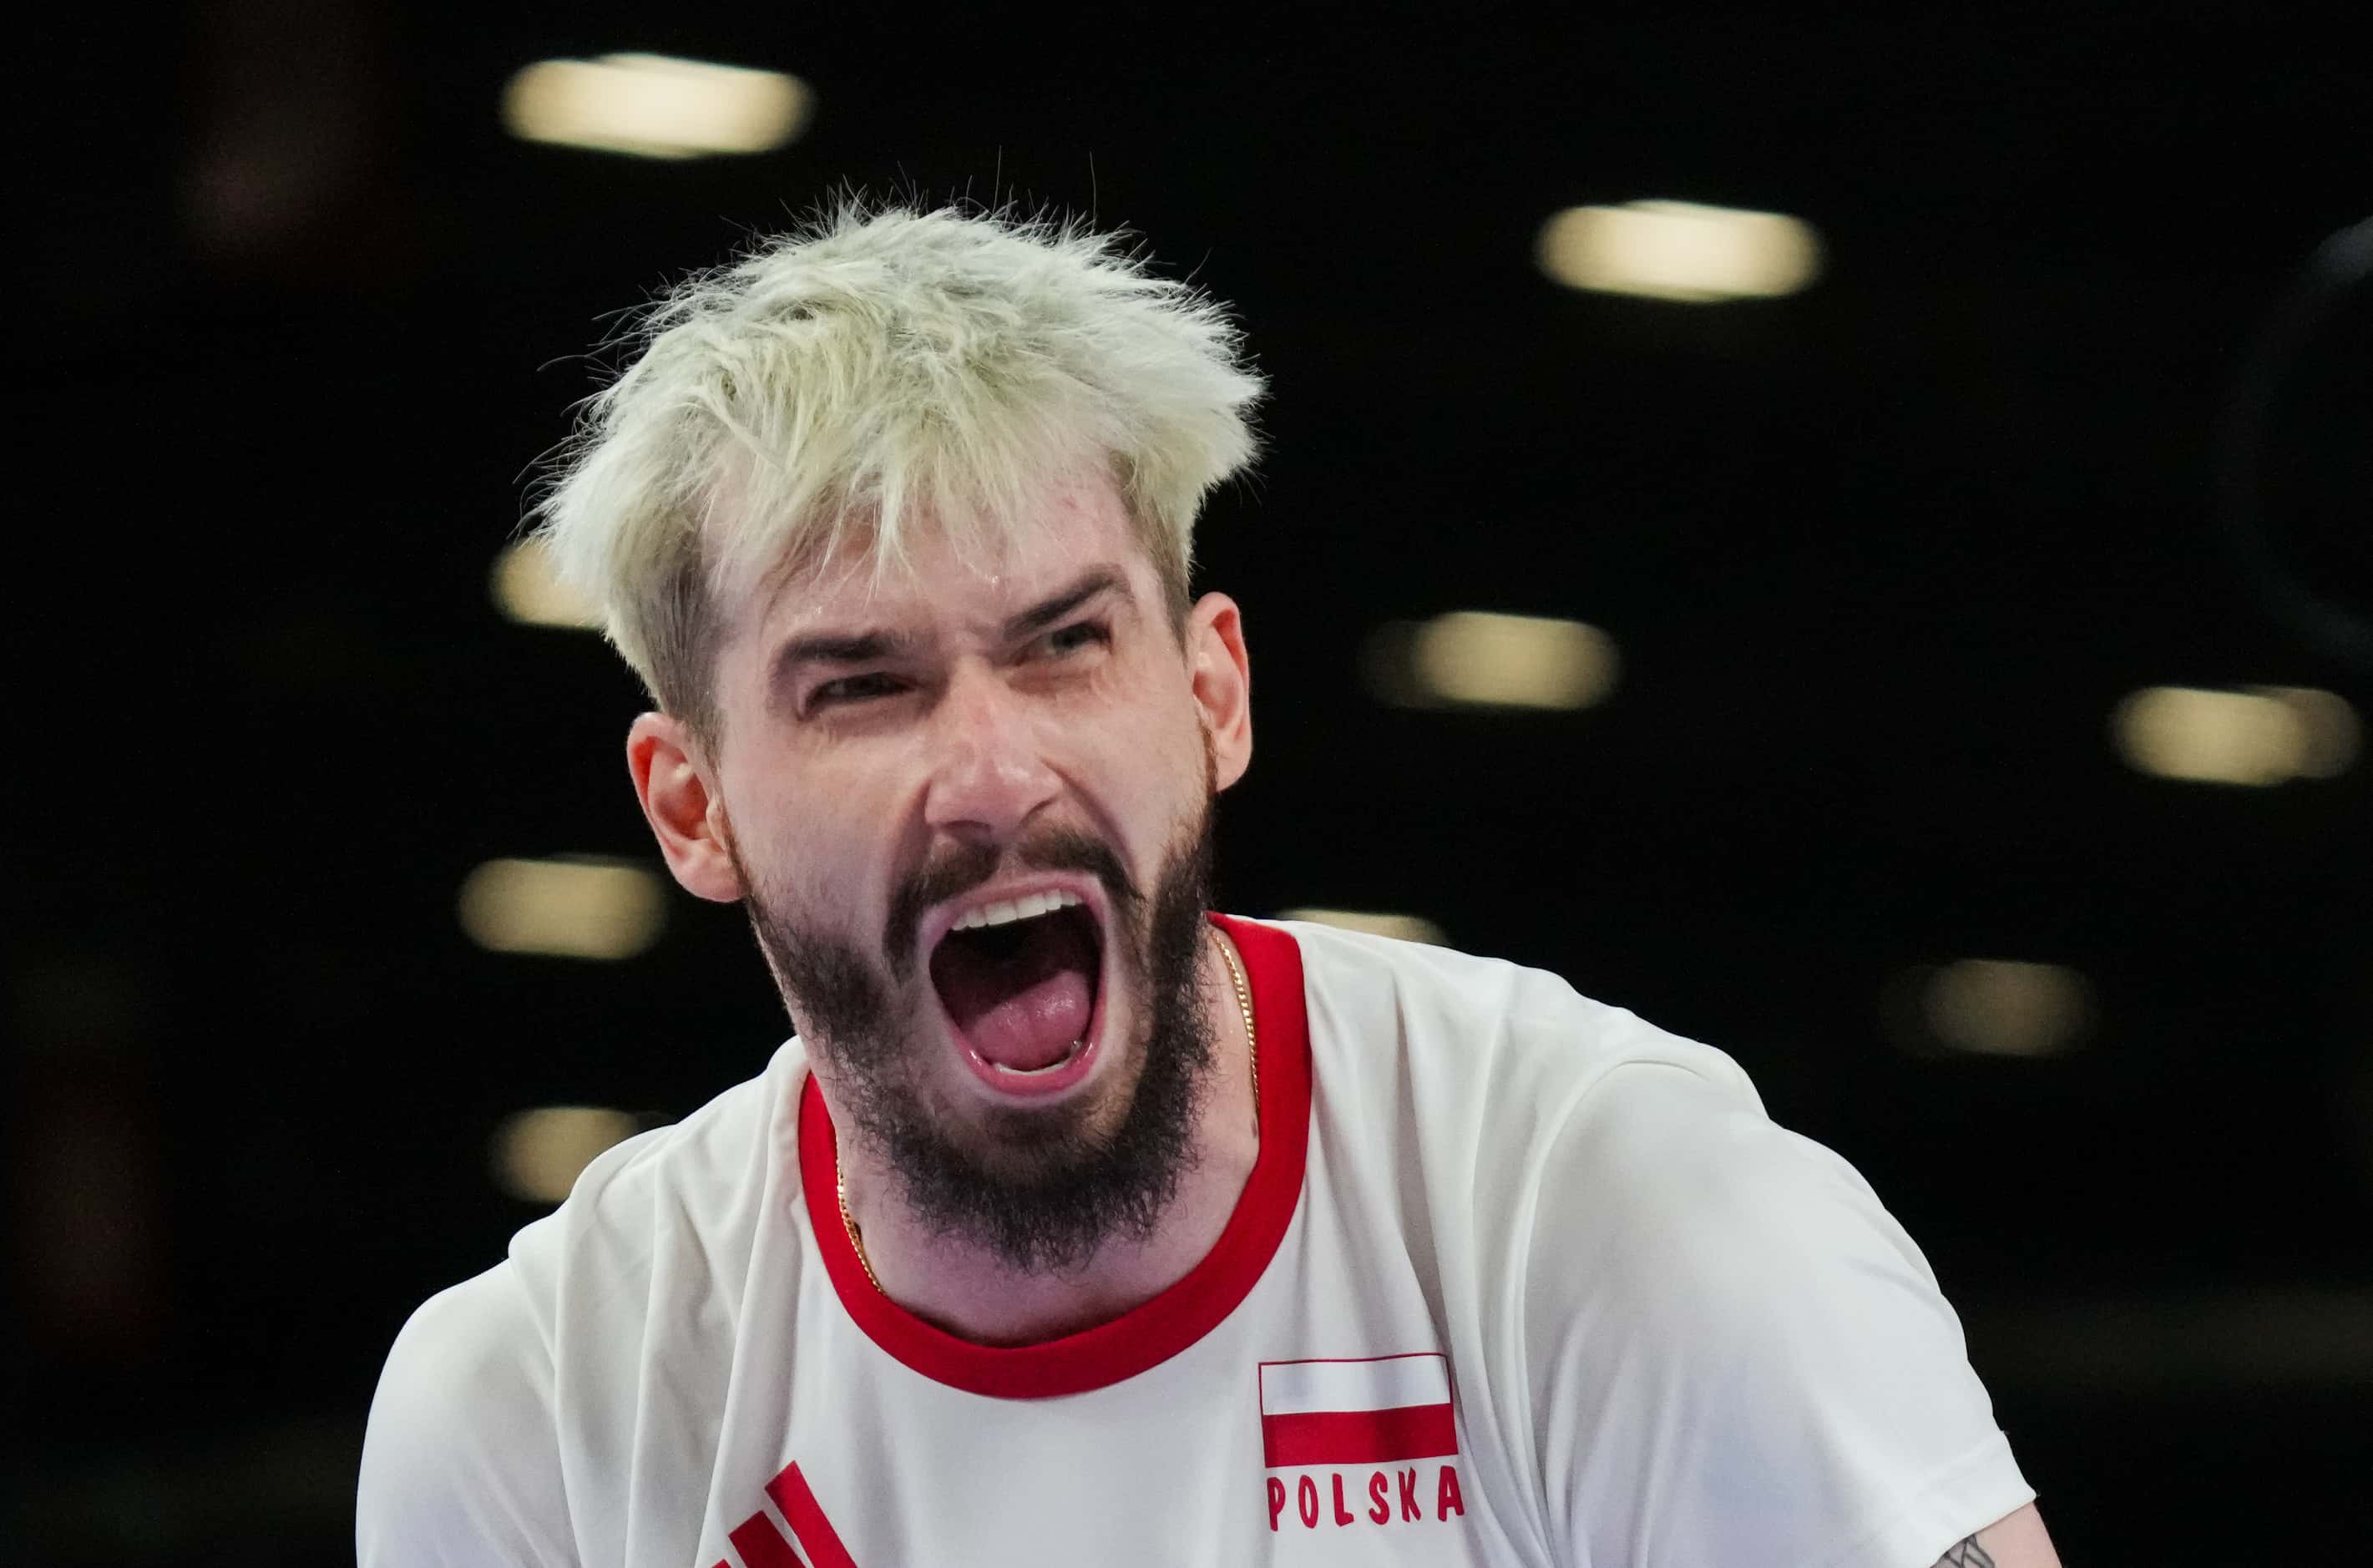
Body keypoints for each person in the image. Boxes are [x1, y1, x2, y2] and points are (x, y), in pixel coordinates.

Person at [357, 201, 2062, 1568]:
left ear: (1210, 691)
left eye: (1063, 644)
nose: (991, 772)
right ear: (690, 802)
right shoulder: (541, 1415)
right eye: (858, 686)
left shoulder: (1619, 1217)